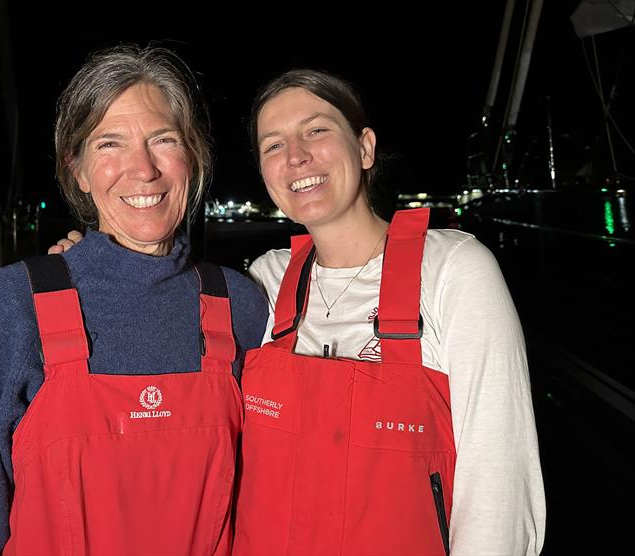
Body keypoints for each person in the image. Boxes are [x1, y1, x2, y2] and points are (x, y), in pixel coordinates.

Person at [51, 68, 546, 554]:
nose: (296, 157)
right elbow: (169, 336)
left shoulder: (452, 271)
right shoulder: (264, 283)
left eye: (316, 131)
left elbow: (499, 483)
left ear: (365, 147)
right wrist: (98, 269)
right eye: (273, 145)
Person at [0, 45, 267, 555]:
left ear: (191, 157)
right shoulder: (8, 308)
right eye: (110, 144)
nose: (143, 169)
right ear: (78, 170)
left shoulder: (243, 305)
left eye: (163, 139)